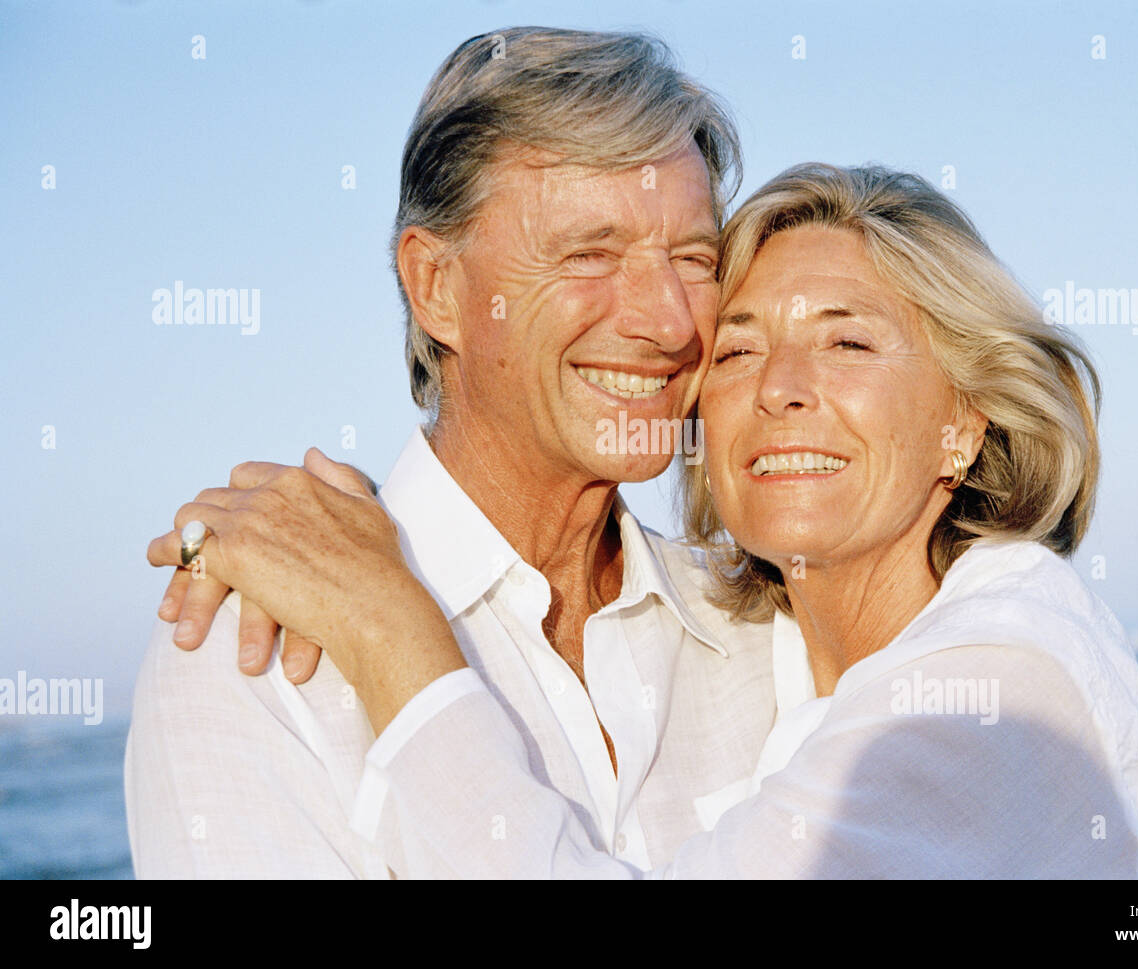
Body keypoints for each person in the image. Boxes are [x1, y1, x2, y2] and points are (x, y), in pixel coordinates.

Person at [148, 163, 1138, 878]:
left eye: (847, 343)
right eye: (739, 347)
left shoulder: (993, 680)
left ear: (962, 427)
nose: (781, 387)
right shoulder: (783, 647)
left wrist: (395, 637)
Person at [126, 26, 784, 878]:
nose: (666, 321)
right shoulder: (250, 653)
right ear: (436, 287)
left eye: (694, 258)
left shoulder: (768, 628)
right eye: (590, 253)